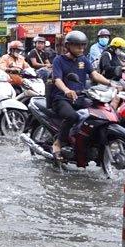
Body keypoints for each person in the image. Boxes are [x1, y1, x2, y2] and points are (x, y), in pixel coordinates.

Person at [50, 30, 114, 159]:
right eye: (77, 45)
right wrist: (66, 90)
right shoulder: (59, 60)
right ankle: (58, 143)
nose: (81, 48)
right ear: (68, 46)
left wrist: (110, 83)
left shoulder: (83, 59)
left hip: (80, 97)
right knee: (72, 116)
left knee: (99, 113)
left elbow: (94, 75)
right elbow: (57, 79)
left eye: (83, 45)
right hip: (62, 99)